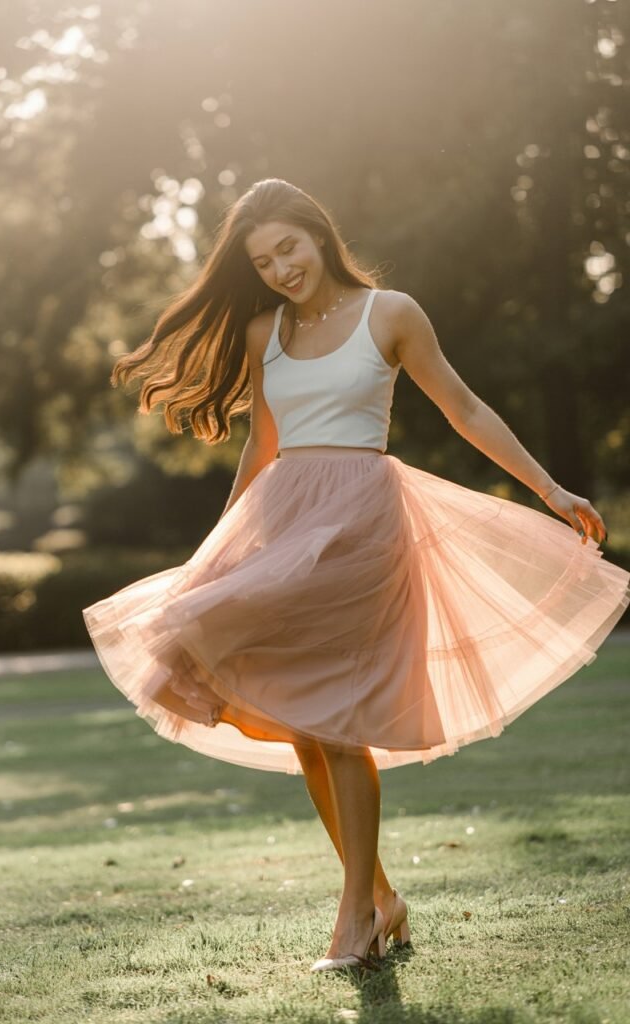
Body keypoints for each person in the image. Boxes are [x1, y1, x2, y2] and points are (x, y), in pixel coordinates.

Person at [82, 177, 630, 974]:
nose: (279, 269)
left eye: (288, 249)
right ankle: (380, 896)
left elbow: (465, 408)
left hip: (362, 523)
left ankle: (354, 921)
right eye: (263, 261)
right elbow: (261, 445)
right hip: (284, 520)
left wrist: (550, 489)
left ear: (319, 234)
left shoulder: (392, 314)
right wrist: (220, 551)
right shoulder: (262, 329)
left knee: (338, 725)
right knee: (305, 725)